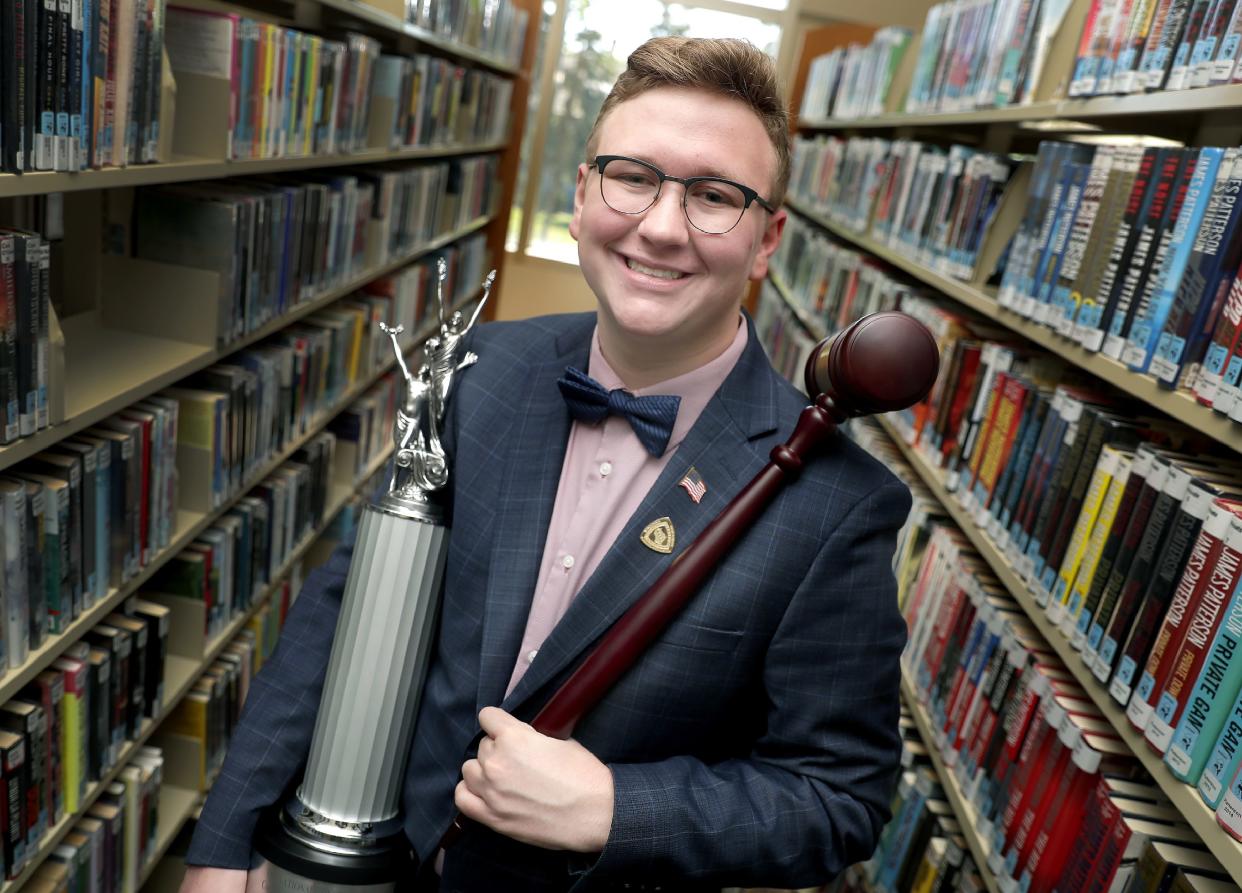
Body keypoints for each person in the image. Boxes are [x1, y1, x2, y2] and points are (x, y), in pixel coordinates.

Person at [181, 35, 911, 892]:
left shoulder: (837, 502)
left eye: (716, 196)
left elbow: (839, 800)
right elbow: (344, 617)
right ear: (582, 192)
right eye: (633, 176)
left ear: (766, 240)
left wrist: (614, 806)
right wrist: (223, 846)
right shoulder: (480, 374)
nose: (662, 226)